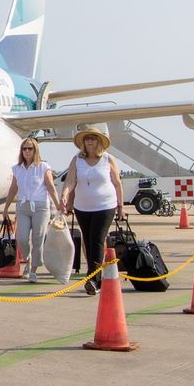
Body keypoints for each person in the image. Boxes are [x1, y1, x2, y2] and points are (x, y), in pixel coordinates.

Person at [60, 127, 123, 296]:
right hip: (83, 207)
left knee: (97, 239)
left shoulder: (108, 159)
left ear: (99, 142)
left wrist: (121, 207)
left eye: (93, 138)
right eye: (87, 139)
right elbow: (71, 181)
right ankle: (97, 277)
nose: (89, 141)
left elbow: (117, 183)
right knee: (88, 241)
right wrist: (65, 196)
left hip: (105, 206)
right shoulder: (77, 160)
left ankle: (92, 279)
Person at [3, 138, 63, 283]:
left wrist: (59, 205)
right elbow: (13, 189)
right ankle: (28, 259)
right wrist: (6, 208)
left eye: (30, 149)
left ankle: (34, 269)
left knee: (38, 238)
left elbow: (50, 187)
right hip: (23, 206)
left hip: (41, 206)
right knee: (22, 238)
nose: (27, 151)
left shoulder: (43, 167)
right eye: (24, 149)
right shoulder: (17, 169)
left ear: (35, 150)